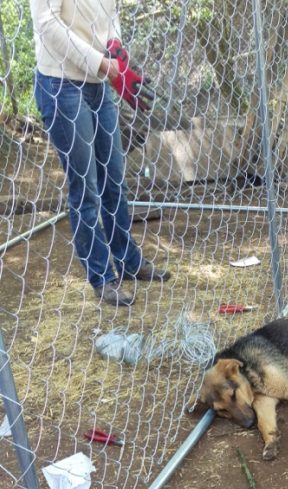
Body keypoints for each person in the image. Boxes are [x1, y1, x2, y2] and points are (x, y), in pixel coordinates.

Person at [29, 0, 171, 307]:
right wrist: (102, 63)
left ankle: (129, 261)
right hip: (61, 83)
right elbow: (48, 24)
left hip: (98, 83)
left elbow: (111, 15)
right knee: (87, 188)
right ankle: (102, 277)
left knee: (115, 181)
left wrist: (115, 47)